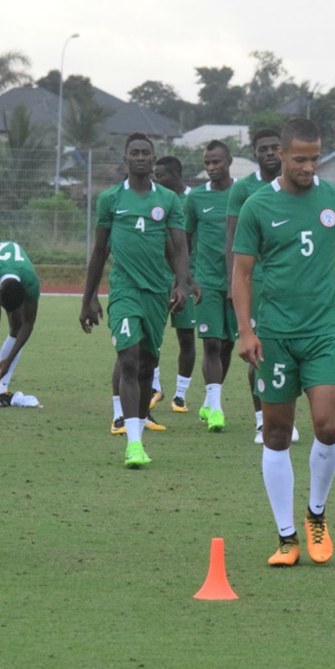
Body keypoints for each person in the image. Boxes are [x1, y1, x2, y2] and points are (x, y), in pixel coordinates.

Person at [233, 118, 335, 566]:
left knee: (328, 427)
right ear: (281, 157)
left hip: (322, 334)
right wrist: (246, 330)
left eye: (315, 158)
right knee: (275, 434)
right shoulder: (258, 206)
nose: (308, 166)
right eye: (300, 159)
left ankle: (316, 514)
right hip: (274, 336)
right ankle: (286, 536)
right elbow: (241, 272)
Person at [81, 133, 195, 468]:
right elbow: (100, 252)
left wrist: (181, 284)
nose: (141, 157)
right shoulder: (111, 199)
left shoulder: (169, 201)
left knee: (147, 365)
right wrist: (88, 299)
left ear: (153, 158)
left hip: (157, 294)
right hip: (124, 292)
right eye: (135, 153)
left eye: (146, 152)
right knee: (128, 360)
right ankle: (133, 444)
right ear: (126, 159)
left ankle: (138, 429)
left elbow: (179, 248)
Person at [226, 129, 299, 444]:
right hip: (256, 285)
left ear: (283, 151)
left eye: (274, 148)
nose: (269, 153)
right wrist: (234, 287)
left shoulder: (297, 186)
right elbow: (232, 241)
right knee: (260, 350)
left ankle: (286, 416)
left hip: (290, 285)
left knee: (292, 350)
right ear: (254, 153)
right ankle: (261, 420)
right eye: (263, 149)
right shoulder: (243, 190)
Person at [183, 140, 235, 431]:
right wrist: (188, 278)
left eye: (217, 162)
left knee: (227, 343)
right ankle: (216, 408)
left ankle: (209, 400)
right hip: (206, 282)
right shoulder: (196, 199)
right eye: (207, 163)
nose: (212, 168)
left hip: (236, 281)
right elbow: (184, 242)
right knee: (211, 343)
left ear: (228, 161)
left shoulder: (242, 193)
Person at [152, 155, 197, 413]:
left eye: (161, 176)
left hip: (185, 278)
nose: (157, 180)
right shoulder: (155, 198)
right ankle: (155, 387)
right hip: (157, 277)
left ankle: (180, 395)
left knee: (186, 338)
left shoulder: (193, 199)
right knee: (152, 335)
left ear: (176, 175)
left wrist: (188, 278)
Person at [0, 240, 40, 405]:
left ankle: (1, 386)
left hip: (13, 272)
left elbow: (29, 324)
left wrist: (8, 360)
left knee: (18, 324)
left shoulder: (31, 282)